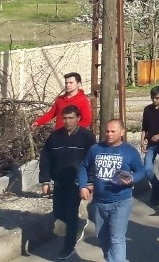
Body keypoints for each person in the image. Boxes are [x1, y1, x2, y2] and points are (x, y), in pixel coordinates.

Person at [78, 119, 147, 262]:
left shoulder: (129, 151)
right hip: (99, 202)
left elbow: (141, 170)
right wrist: (83, 186)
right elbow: (83, 167)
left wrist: (132, 178)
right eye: (107, 131)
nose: (108, 134)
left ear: (122, 132)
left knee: (117, 238)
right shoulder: (95, 149)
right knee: (103, 238)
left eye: (112, 131)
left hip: (121, 201)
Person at [38, 105, 95, 260]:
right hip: (60, 182)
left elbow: (92, 161)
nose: (67, 121)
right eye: (65, 118)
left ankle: (68, 246)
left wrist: (89, 182)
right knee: (59, 213)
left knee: (70, 214)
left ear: (78, 118)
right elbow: (46, 159)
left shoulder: (87, 136)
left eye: (71, 118)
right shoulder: (55, 137)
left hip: (77, 182)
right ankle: (78, 224)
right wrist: (45, 181)